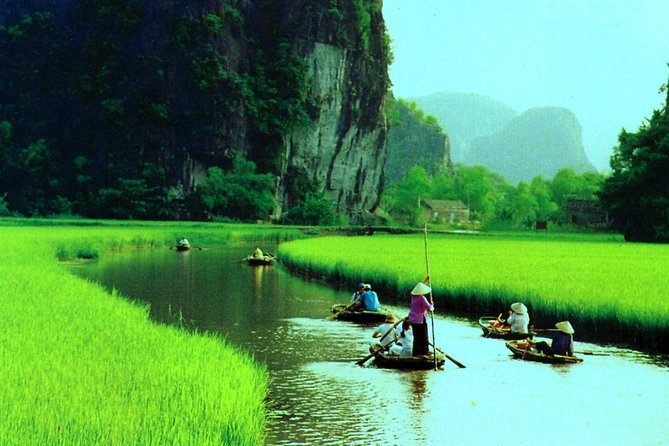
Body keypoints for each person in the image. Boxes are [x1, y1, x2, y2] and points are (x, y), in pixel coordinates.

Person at [408, 276, 434, 357]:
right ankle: (423, 353)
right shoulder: (422, 298)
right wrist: (432, 305)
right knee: (424, 338)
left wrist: (425, 280)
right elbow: (430, 308)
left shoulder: (413, 297)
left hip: (412, 320)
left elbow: (419, 286)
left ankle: (415, 353)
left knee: (416, 337)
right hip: (420, 320)